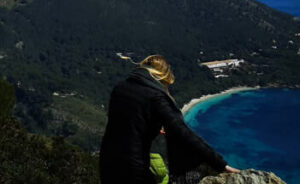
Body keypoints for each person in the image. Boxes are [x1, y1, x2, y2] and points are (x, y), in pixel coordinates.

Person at [99, 55, 239, 184]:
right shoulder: (156, 98)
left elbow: (129, 122)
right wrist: (220, 164)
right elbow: (184, 134)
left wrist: (153, 124)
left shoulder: (120, 88)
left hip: (106, 163)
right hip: (133, 168)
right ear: (161, 77)